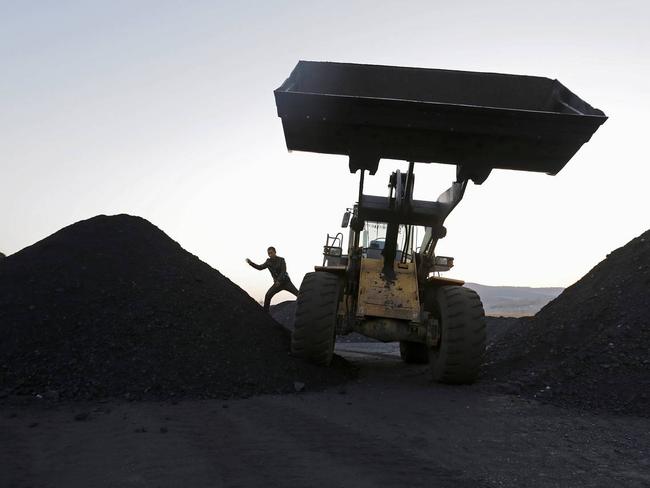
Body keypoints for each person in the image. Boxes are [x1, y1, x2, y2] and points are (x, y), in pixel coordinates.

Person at [246, 246, 299, 312]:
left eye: (271, 253)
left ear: (275, 252)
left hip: (286, 282)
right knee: (268, 295)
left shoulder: (281, 260)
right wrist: (250, 263)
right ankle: (265, 313)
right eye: (269, 253)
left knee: (299, 294)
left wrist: (278, 280)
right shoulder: (268, 262)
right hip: (277, 284)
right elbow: (260, 267)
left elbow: (283, 271)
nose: (270, 255)